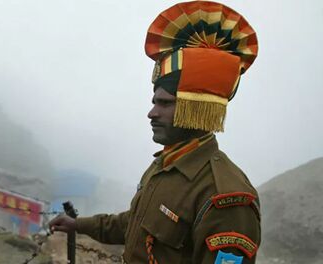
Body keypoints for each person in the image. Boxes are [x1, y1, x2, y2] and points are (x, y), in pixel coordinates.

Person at [48, 1, 261, 263]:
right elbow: (131, 223)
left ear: (195, 107)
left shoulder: (225, 195)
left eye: (165, 103)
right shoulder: (163, 166)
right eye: (154, 103)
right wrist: (77, 224)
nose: (152, 113)